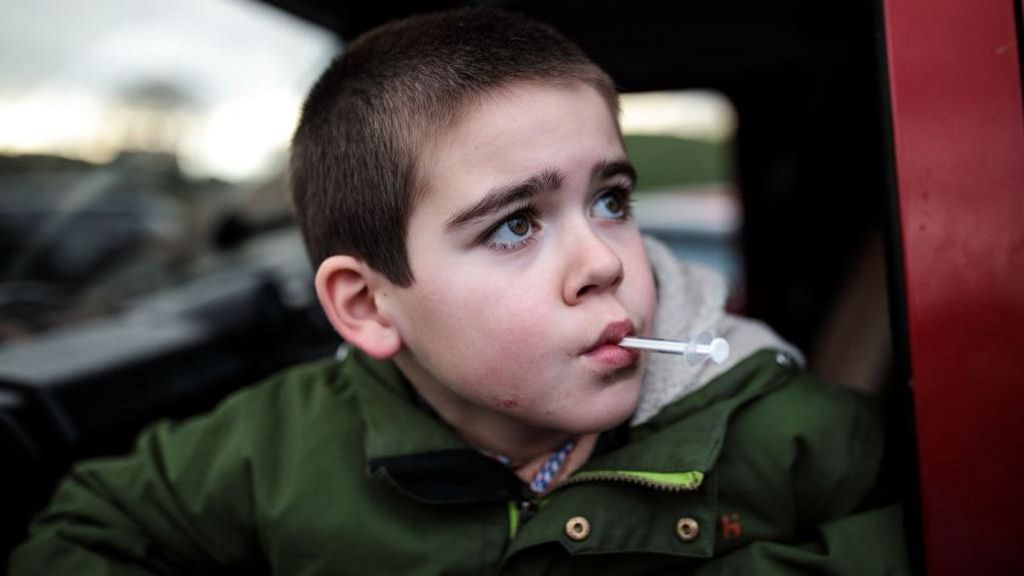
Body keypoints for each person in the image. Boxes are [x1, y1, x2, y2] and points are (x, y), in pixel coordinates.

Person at [10, 8, 908, 575]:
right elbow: (88, 529)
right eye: (515, 224)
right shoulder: (277, 445)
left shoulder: (778, 427)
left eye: (612, 200)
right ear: (367, 307)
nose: (603, 261)